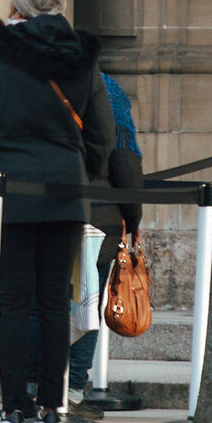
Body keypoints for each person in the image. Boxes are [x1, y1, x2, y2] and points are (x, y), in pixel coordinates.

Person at [0, 0, 115, 423]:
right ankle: (51, 408)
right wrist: (81, 167)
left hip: (9, 193)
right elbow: (102, 133)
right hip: (65, 191)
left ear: (17, 9)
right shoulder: (82, 57)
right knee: (54, 304)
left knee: (13, 303)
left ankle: (14, 407)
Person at [66, 71, 144, 405]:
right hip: (97, 217)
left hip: (40, 211)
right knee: (86, 304)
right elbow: (124, 160)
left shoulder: (31, 79)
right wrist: (133, 217)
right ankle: (72, 389)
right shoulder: (106, 87)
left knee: (40, 304)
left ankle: (34, 384)